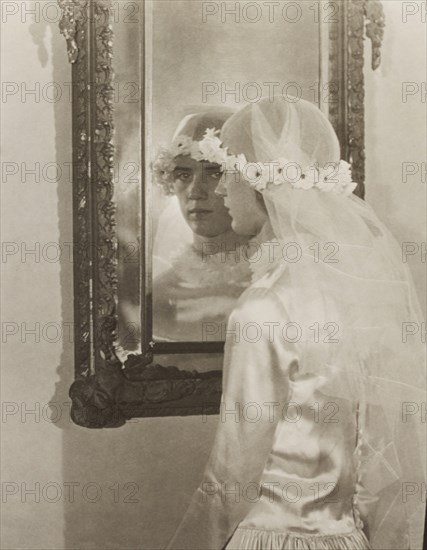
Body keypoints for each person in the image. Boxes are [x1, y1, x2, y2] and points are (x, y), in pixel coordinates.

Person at [166, 98, 426, 549]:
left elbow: (233, 471)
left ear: (262, 183)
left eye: (229, 173)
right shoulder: (351, 294)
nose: (222, 191)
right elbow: (376, 453)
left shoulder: (263, 307)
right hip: (345, 538)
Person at [151, 108, 252, 342]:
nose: (195, 192)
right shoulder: (160, 294)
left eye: (215, 173)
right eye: (184, 176)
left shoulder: (280, 280)